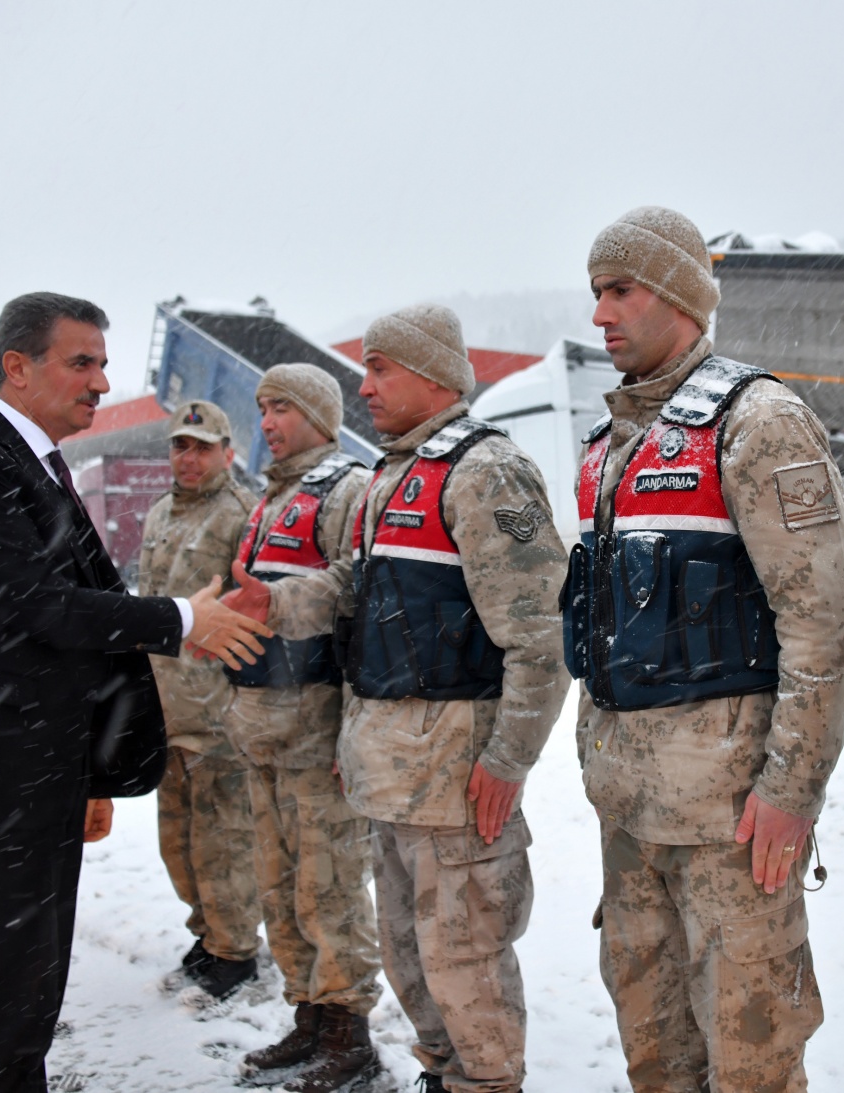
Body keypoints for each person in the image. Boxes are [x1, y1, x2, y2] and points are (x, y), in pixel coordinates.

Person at [0, 291, 273, 1093]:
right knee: (13, 995)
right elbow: (38, 607)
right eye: (82, 362)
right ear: (17, 366)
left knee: (33, 988)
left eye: (103, 363)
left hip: (36, 766)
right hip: (0, 772)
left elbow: (75, 603)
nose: (102, 382)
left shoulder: (33, 461)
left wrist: (92, 766)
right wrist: (183, 619)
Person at [227, 304, 570, 1093]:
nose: (365, 384)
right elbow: (358, 594)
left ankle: (484, 1083)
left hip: (457, 782)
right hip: (391, 773)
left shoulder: (486, 472)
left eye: (380, 368)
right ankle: (444, 1076)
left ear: (434, 375)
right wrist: (276, 605)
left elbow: (537, 633)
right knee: (409, 958)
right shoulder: (391, 475)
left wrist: (510, 758)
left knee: (464, 960)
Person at [566, 207, 844, 1092]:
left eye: (620, 289)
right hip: (629, 816)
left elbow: (825, 619)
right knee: (654, 1052)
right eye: (595, 293)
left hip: (731, 822)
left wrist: (790, 788)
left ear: (680, 295)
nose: (600, 314)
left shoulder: (758, 422)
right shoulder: (607, 448)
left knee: (752, 1057)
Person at [216, 364, 383, 1093]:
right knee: (278, 886)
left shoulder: (345, 489)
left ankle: (349, 1029)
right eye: (261, 408)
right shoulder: (271, 496)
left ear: (318, 413)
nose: (267, 422)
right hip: (261, 728)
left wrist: (353, 729)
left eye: (281, 406)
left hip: (315, 729)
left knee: (329, 886)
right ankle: (309, 1015)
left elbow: (355, 613)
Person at [137, 399, 264, 1001]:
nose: (189, 459)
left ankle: (234, 949)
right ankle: (206, 932)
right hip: (165, 710)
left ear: (227, 454)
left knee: (224, 844)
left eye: (203, 448)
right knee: (179, 843)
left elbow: (255, 616)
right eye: (180, 446)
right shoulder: (160, 512)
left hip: (216, 717)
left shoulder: (242, 514)